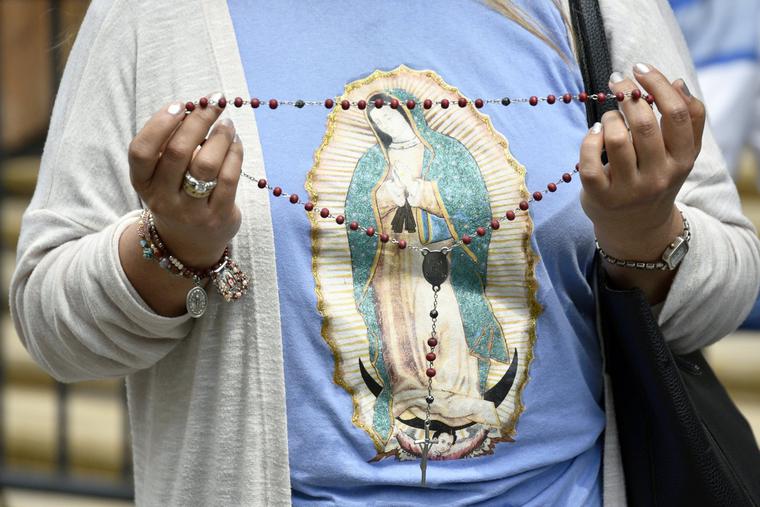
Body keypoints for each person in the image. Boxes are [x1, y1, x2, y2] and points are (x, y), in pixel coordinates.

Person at [9, 0, 760, 505]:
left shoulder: (597, 10)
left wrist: (642, 231)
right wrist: (173, 248)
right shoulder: (156, 17)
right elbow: (53, 324)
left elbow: (723, 291)